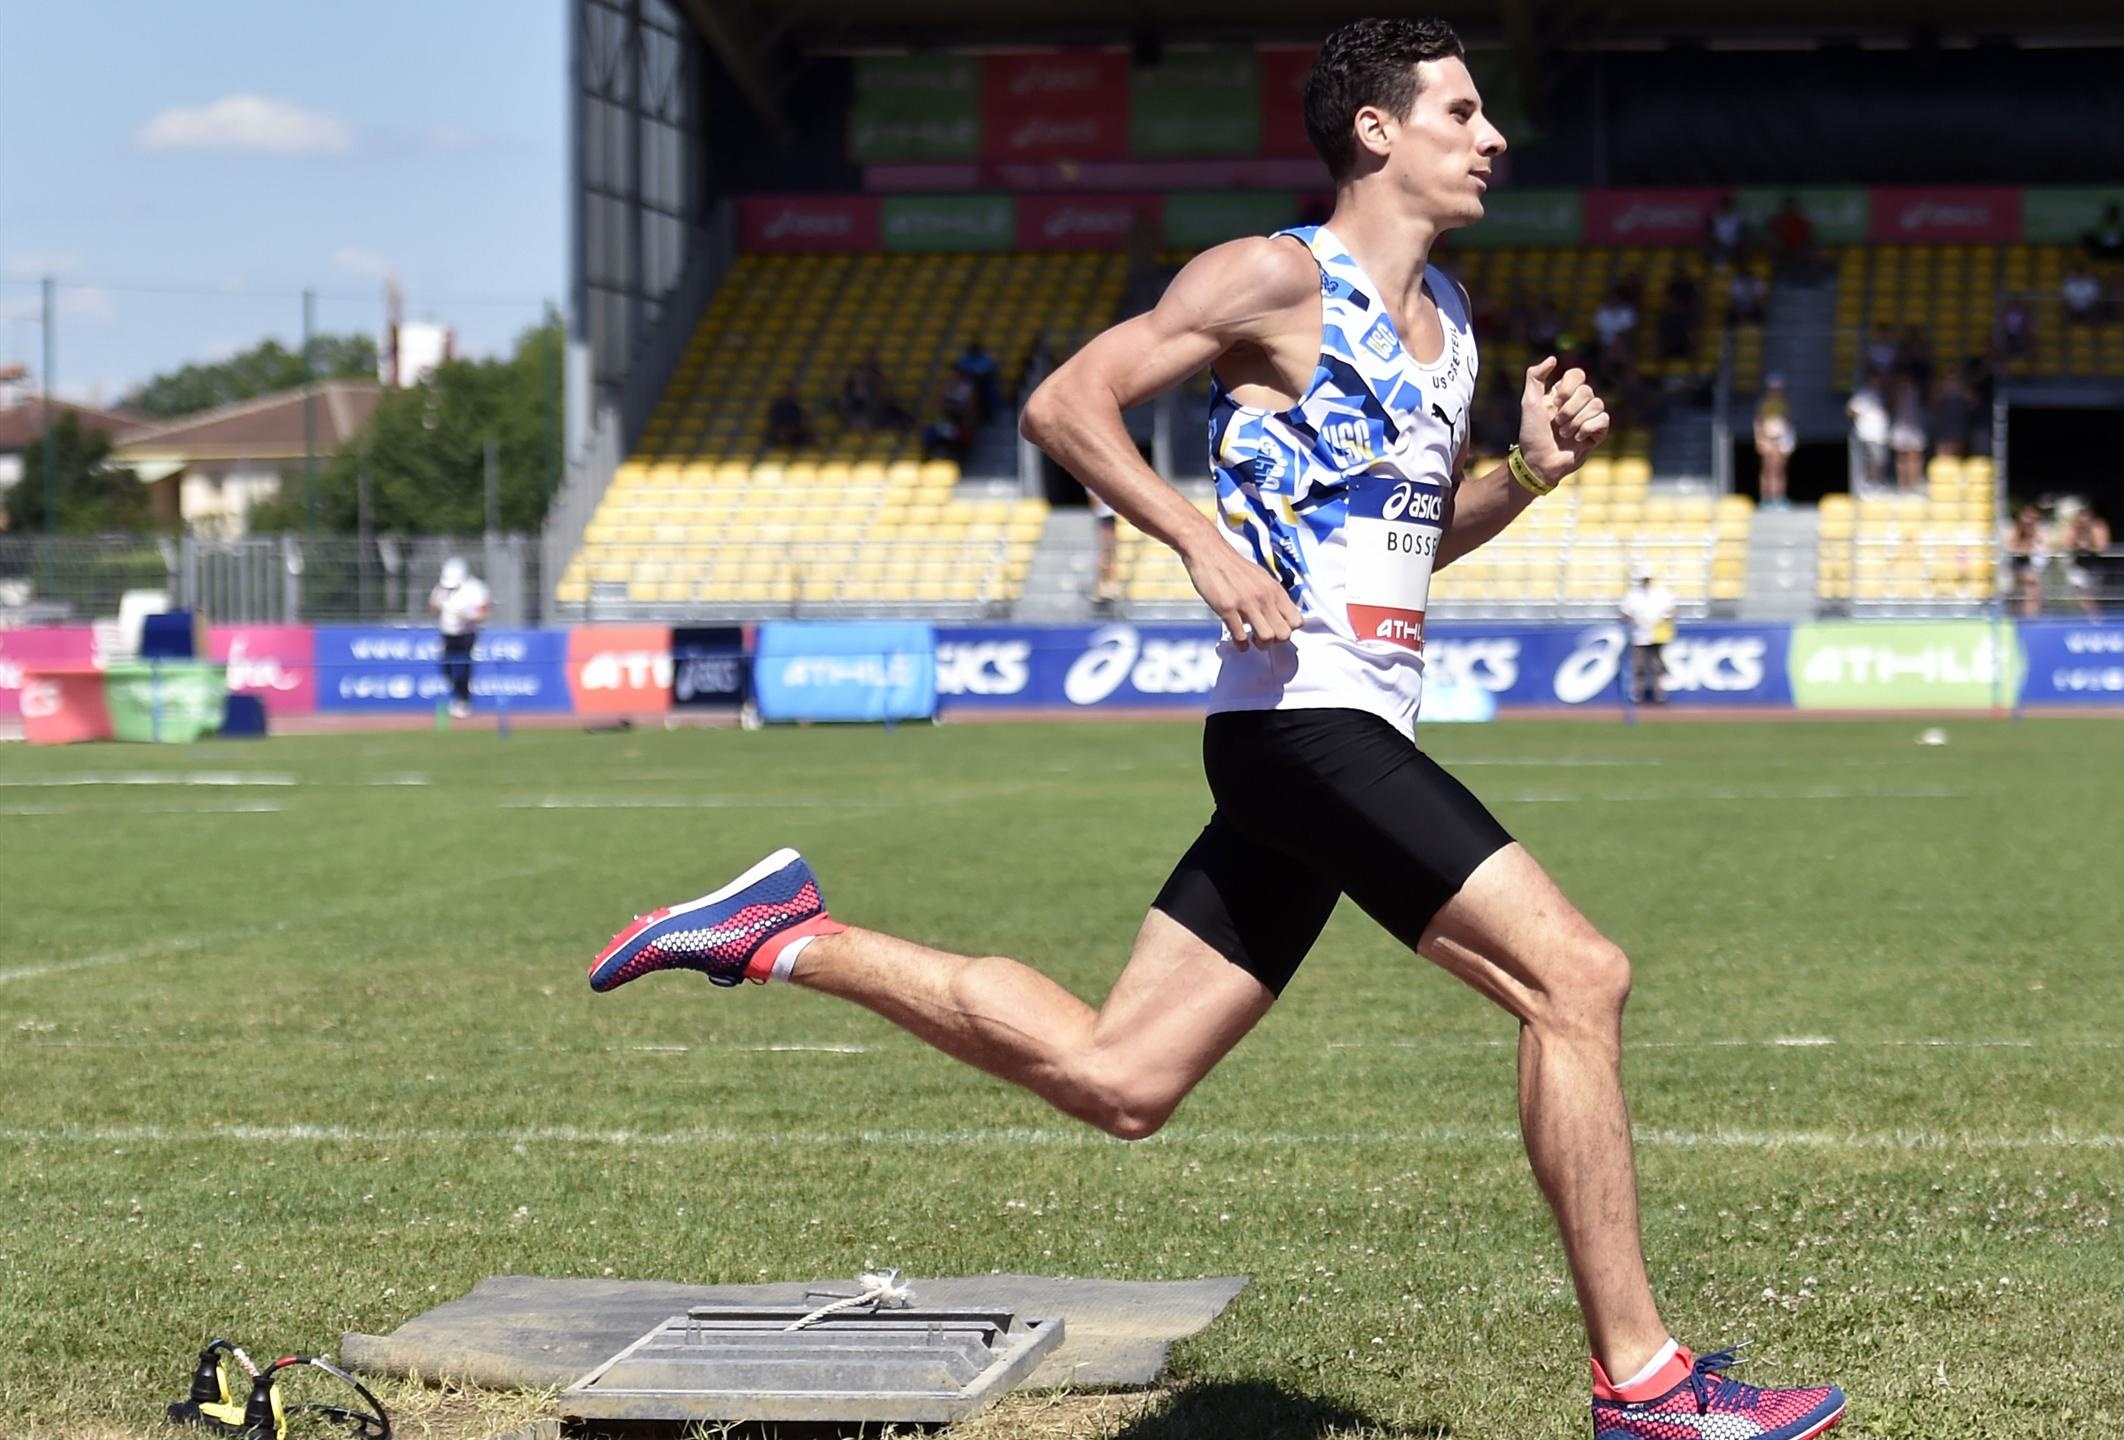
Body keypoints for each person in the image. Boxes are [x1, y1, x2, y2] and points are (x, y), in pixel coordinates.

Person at [584, 21, 1844, 1440]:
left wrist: (1529, 478)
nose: (1495, 139)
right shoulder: (1273, 275)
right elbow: (1068, 404)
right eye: (1464, 110)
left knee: (1123, 1080)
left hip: (1322, 738)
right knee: (1579, 981)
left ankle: (783, 935)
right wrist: (1193, 537)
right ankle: (1646, 1385)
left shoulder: (1455, 324)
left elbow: (1407, 551)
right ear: (1377, 131)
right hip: (1301, 725)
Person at [427, 556, 489, 720]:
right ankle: (458, 699)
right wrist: (439, 603)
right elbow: (432, 608)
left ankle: (463, 701)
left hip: (466, 635)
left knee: (463, 669)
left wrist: (467, 616)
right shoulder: (442, 588)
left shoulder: (475, 588)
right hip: (447, 634)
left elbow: (483, 613)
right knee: (446, 668)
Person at [1617, 566, 1676, 706]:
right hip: (1639, 635)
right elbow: (1623, 612)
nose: (1646, 583)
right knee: (1639, 666)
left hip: (1657, 635)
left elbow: (1672, 611)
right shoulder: (1633, 595)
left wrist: (1664, 621)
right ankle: (1637, 694)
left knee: (1657, 665)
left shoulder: (1661, 593)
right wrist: (1632, 620)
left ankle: (1659, 694)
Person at [1753, 378, 1795, 507]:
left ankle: (1778, 497)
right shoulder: (1764, 403)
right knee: (1768, 470)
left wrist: (1788, 440)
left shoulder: (1784, 403)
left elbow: (1787, 423)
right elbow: (1758, 423)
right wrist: (1760, 439)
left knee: (1780, 470)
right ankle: (1767, 498)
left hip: (1781, 440)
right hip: (1769, 440)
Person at [1846, 371, 1890, 494]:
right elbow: (1850, 410)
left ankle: (1875, 483)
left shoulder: (1882, 394)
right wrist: (1861, 418)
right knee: (1872, 459)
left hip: (1880, 433)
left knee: (1880, 460)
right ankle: (1869, 484)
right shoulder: (1863, 394)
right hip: (1867, 433)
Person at [2063, 506, 2110, 618]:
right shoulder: (2073, 528)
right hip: (2078, 565)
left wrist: (2089, 543)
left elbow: (2102, 546)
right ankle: (2091, 616)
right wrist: (2076, 543)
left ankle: (2095, 616)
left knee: (2093, 594)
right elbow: (2066, 545)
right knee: (2081, 593)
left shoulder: (2098, 526)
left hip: (2094, 565)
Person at [2007, 505, 2048, 618]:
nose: (2029, 522)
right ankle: (2020, 619)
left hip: (2034, 568)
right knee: (2020, 595)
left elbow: (2046, 548)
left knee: (2032, 594)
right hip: (2018, 568)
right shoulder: (2015, 531)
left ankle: (2031, 619)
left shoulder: (2040, 532)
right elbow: (2010, 547)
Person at [1888, 376, 1928, 492]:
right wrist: (1900, 394)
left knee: (1915, 457)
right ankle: (1903, 484)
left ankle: (1915, 483)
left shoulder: (1917, 392)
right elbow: (1893, 407)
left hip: (1914, 427)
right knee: (1902, 458)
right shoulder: (1896, 393)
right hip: (1901, 428)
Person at [1088, 486, 1123, 605]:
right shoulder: (1092, 485)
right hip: (1104, 518)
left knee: (1110, 553)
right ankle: (1101, 586)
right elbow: (1096, 504)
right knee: (1105, 554)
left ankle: (1109, 585)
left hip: (1108, 518)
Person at [763, 382, 813, 450]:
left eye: (791, 392)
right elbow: (773, 424)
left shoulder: (797, 408)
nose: (790, 394)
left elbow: (801, 424)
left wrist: (792, 431)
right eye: (788, 391)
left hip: (795, 438)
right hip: (777, 437)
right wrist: (782, 432)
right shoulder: (776, 408)